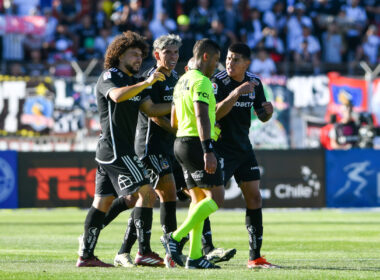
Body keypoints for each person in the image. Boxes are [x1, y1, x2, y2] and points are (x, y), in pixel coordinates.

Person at [76, 31, 171, 267]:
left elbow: (151, 109)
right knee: (147, 193)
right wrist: (147, 82)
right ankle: (144, 252)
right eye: (133, 54)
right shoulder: (111, 75)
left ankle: (86, 255)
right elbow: (117, 97)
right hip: (117, 151)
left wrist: (180, 103)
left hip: (115, 151)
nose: (139, 59)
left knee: (103, 203)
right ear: (119, 55)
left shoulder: (133, 81)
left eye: (141, 55)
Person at [113, 34, 182, 268]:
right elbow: (152, 115)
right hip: (149, 145)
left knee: (146, 198)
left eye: (175, 52)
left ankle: (125, 250)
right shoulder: (149, 78)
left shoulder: (177, 79)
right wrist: (177, 127)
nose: (172, 57)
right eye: (167, 52)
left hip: (168, 146)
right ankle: (171, 249)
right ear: (157, 55)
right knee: (161, 194)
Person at [211, 42, 278, 268]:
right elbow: (213, 113)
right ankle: (199, 248)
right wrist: (236, 93)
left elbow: (262, 115)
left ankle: (255, 257)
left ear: (246, 63)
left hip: (243, 148)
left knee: (255, 198)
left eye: (235, 59)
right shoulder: (218, 81)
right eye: (228, 58)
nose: (230, 62)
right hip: (220, 149)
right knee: (210, 201)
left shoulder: (255, 83)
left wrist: (268, 112)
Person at [161, 38, 224, 269]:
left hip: (180, 143)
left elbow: (174, 120)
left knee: (198, 200)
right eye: (216, 60)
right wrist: (208, 148)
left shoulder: (181, 81)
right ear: (205, 56)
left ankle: (195, 256)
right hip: (197, 144)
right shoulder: (202, 81)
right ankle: (176, 237)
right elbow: (200, 115)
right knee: (216, 198)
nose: (217, 65)